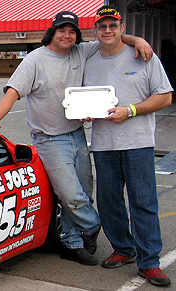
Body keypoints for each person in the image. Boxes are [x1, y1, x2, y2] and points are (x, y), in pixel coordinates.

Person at [0, 10, 153, 266]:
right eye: (61, 30)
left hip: (77, 135)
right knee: (72, 196)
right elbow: (13, 91)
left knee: (84, 193)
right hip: (50, 139)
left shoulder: (80, 51)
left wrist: (137, 40)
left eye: (72, 31)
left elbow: (111, 38)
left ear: (77, 35)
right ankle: (95, 224)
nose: (67, 35)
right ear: (51, 32)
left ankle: (72, 242)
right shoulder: (34, 60)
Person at [83, 5, 172, 286]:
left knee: (143, 202)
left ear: (123, 28)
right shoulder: (89, 58)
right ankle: (124, 249)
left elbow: (165, 97)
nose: (107, 31)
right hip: (103, 145)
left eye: (113, 26)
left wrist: (130, 111)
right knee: (109, 203)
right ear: (95, 30)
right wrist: (84, 109)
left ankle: (149, 263)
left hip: (138, 143)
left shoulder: (143, 56)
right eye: (102, 26)